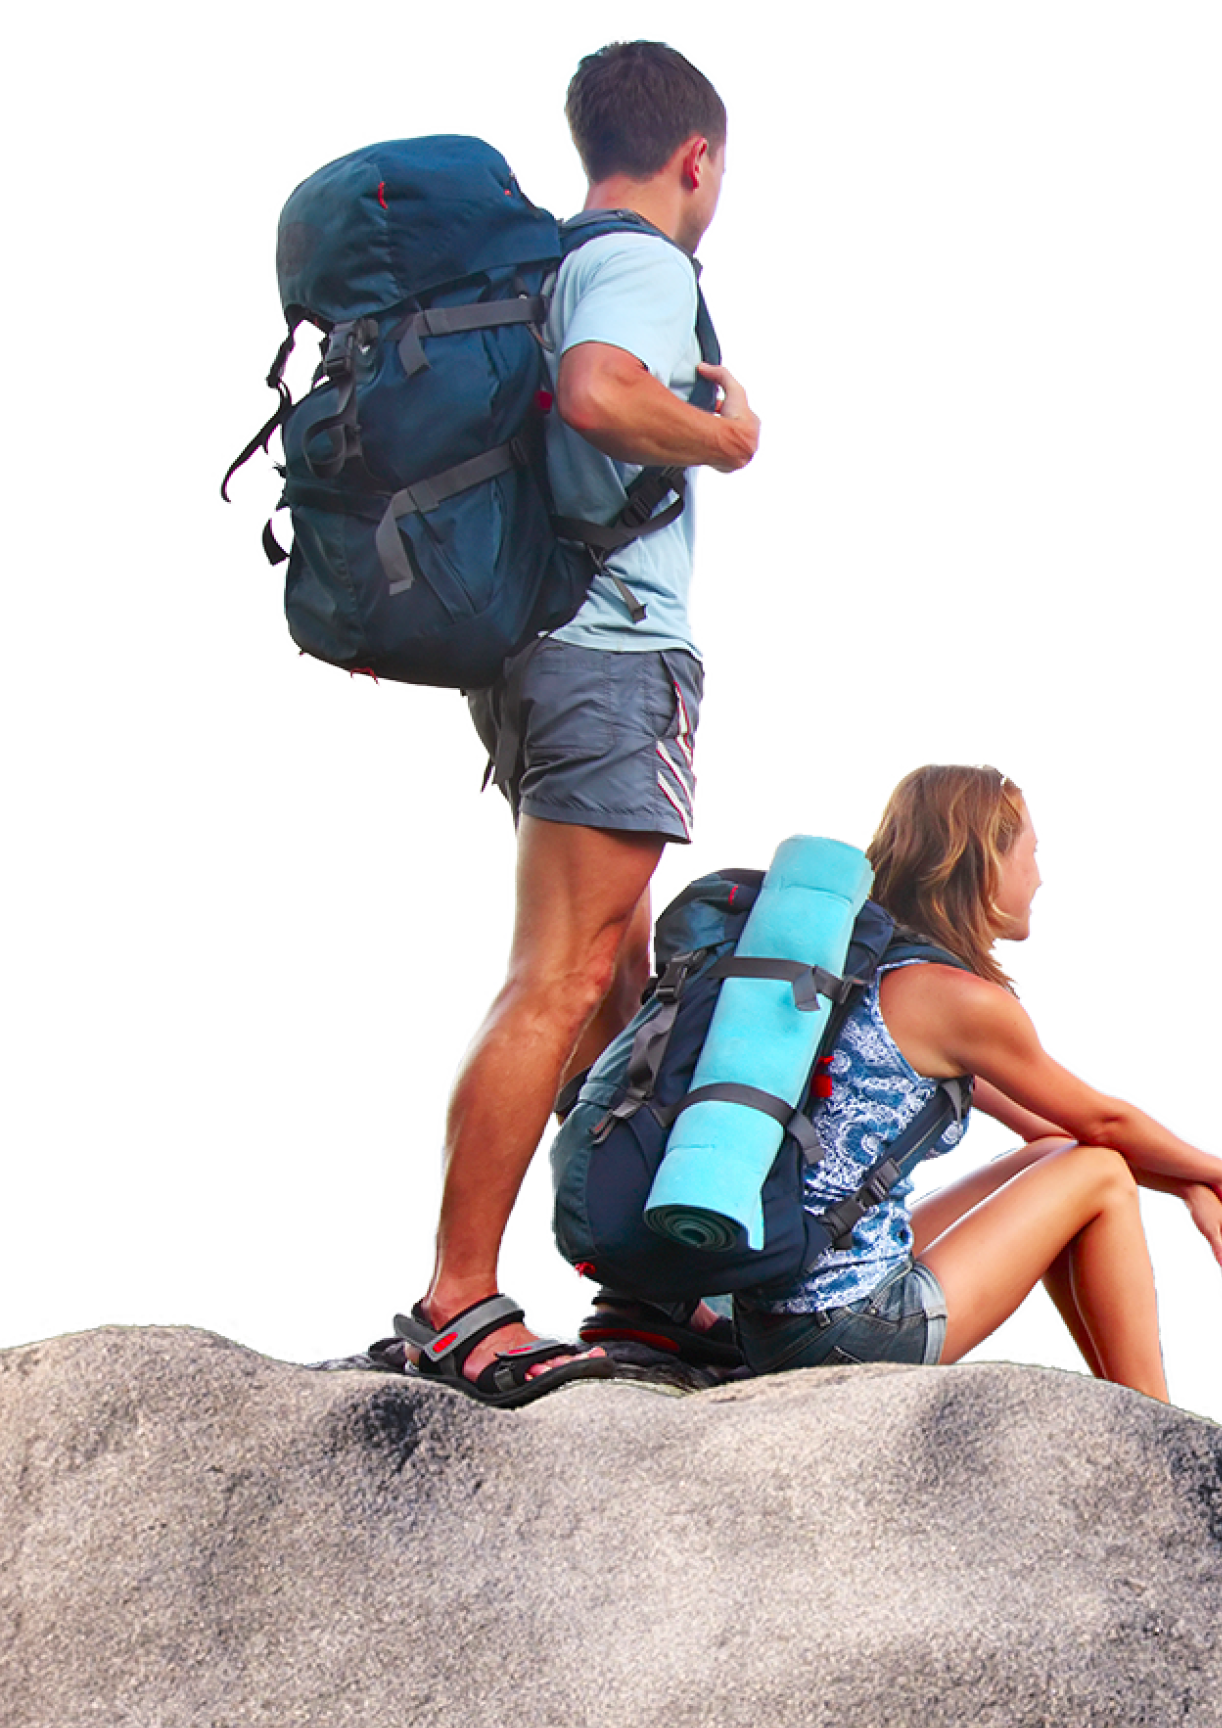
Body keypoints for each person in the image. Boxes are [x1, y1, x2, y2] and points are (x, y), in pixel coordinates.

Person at [390, 37, 762, 1407]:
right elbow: (601, 391)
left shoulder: (547, 261)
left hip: (542, 653)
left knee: (611, 980)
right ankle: (457, 1299)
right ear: (698, 159)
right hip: (605, 657)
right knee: (563, 972)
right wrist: (723, 438)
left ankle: (637, 1294)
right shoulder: (639, 265)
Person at [598, 765, 1222, 1403]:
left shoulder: (866, 971)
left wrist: (1183, 1184)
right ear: (984, 862)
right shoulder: (958, 1001)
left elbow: (1054, 1132)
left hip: (773, 1307)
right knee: (1099, 1176)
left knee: (1053, 1161)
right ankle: (1149, 1423)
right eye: (1031, 853)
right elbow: (1105, 1128)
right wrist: (1216, 1174)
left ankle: (1131, 1407)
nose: (1039, 876)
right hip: (847, 1333)